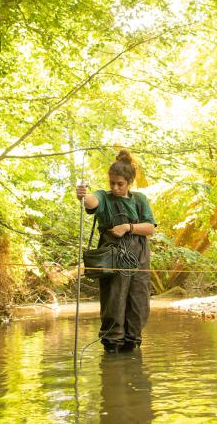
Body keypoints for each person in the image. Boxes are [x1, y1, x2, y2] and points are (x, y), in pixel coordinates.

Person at [76, 149, 156, 352]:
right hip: (111, 256)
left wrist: (127, 227)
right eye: (112, 183)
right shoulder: (104, 197)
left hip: (139, 256)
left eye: (120, 184)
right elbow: (92, 202)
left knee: (139, 300)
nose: (115, 187)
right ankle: (112, 344)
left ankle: (133, 341)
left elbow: (150, 228)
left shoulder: (139, 200)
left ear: (129, 182)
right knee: (114, 298)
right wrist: (83, 196)